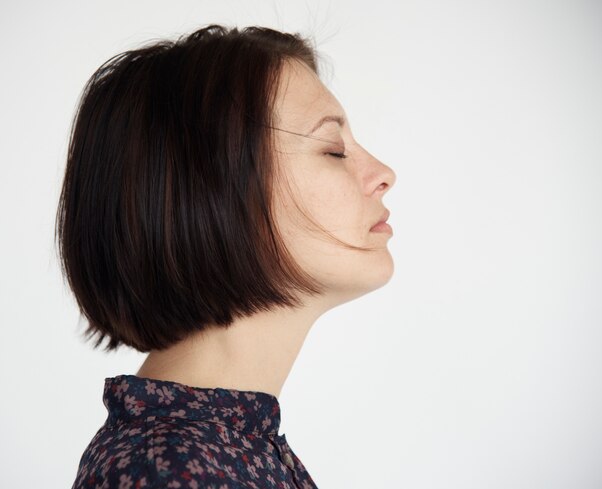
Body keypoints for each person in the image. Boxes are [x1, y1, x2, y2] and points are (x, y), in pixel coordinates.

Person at [57, 23, 396, 489]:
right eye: (334, 150)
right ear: (212, 191)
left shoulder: (225, 445)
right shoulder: (169, 470)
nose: (383, 174)